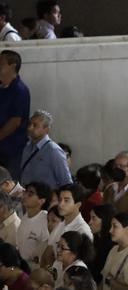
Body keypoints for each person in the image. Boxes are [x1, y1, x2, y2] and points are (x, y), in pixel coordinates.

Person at [19, 109, 70, 189]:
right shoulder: (27, 148)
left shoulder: (54, 150)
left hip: (45, 195)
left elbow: (66, 182)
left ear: (46, 129)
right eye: (29, 124)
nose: (30, 128)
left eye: (35, 125)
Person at [0, 50, 29, 179]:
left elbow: (15, 122)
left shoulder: (19, 90)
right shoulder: (2, 88)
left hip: (12, 150)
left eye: (1, 63)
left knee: (10, 184)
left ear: (12, 66)